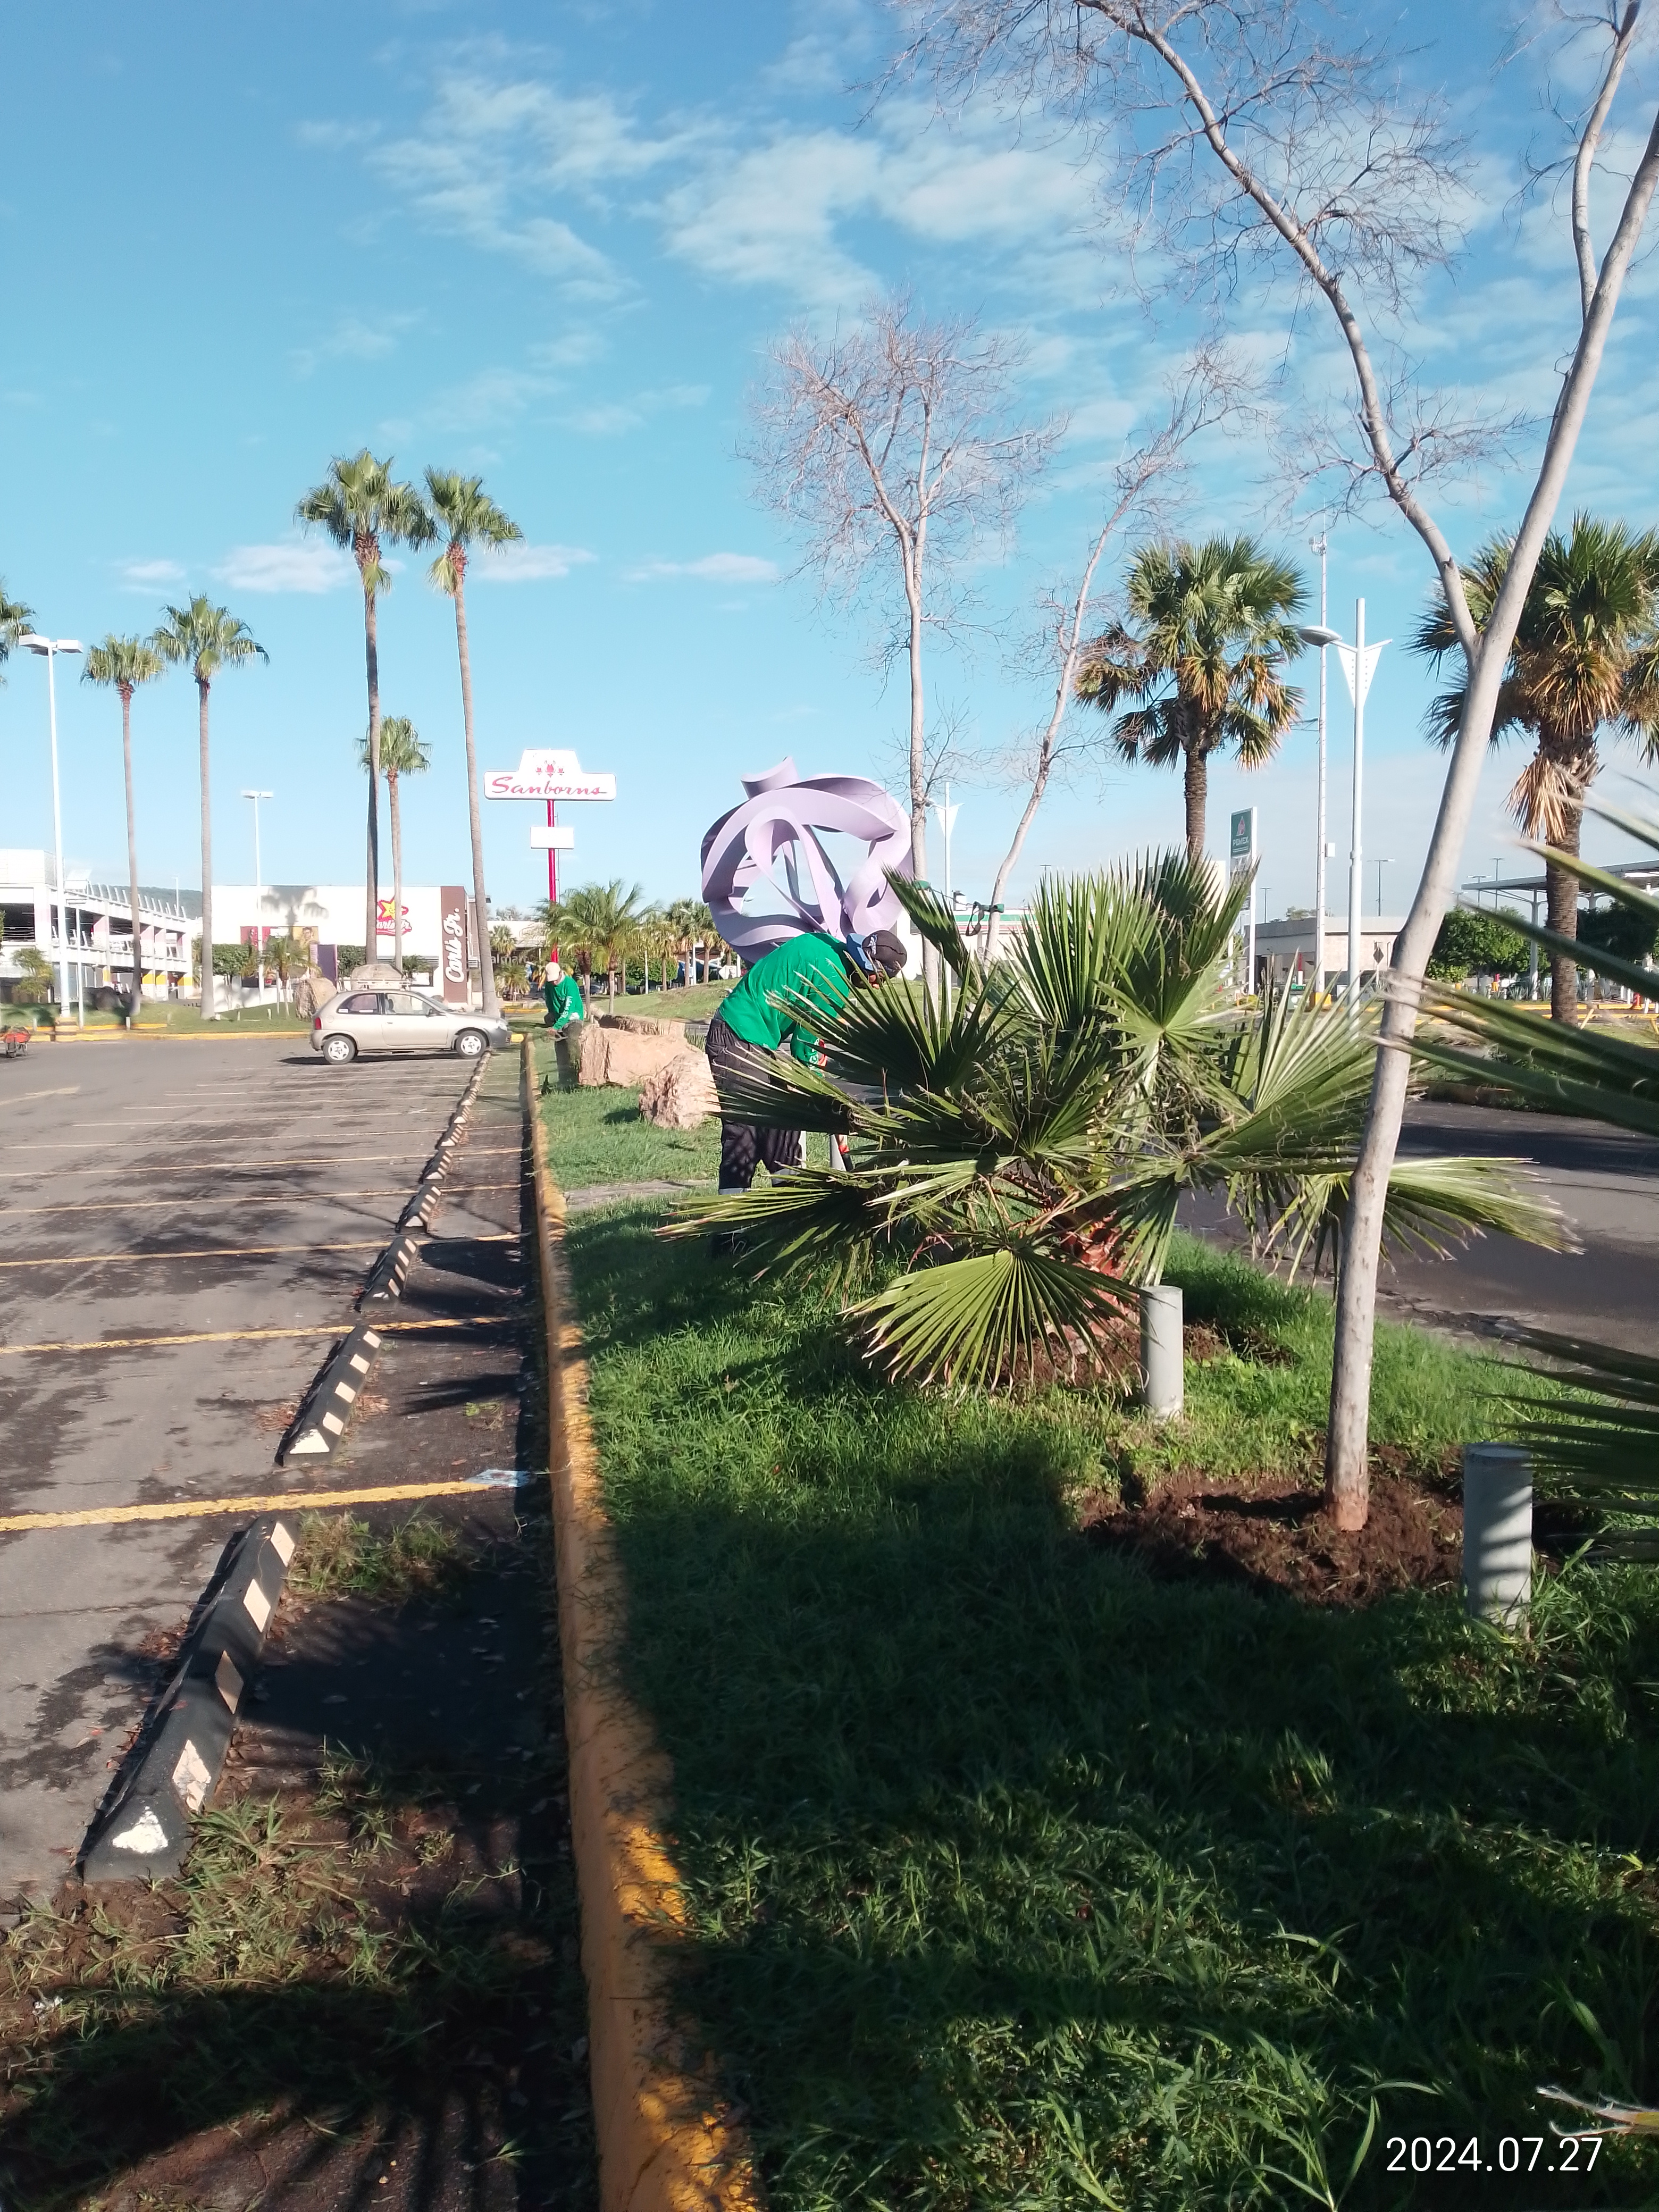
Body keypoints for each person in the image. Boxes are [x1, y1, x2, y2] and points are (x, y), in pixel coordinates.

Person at [705, 926, 908, 1196]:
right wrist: (826, 1098)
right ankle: (728, 1235)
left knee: (784, 1129)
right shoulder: (833, 980)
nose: (875, 987)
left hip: (755, 1039)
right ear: (870, 971)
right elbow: (807, 1047)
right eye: (878, 980)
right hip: (738, 1035)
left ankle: (791, 1213)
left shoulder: (825, 944)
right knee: (744, 1134)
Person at [543, 958, 585, 1085]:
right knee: (559, 1046)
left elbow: (568, 1009)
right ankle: (564, 1078)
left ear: (560, 973)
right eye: (551, 981)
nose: (554, 983)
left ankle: (576, 1074)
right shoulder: (549, 985)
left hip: (573, 1018)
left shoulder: (570, 985)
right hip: (559, 1019)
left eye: (555, 980)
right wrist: (551, 1014)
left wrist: (557, 1026)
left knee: (571, 1039)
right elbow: (549, 1001)